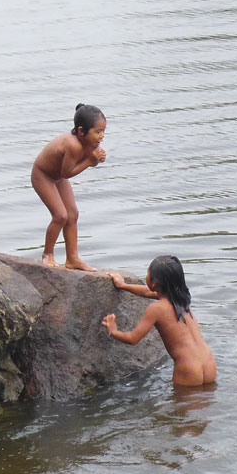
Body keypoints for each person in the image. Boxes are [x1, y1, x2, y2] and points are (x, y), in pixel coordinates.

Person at [103, 256, 217, 387]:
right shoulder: (184, 299)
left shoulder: (156, 309)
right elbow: (148, 292)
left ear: (154, 283)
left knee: (182, 406)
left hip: (188, 368)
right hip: (209, 362)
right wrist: (123, 285)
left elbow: (133, 338)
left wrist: (113, 330)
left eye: (147, 273)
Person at [32, 103, 107, 270]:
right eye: (98, 132)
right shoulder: (73, 145)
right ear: (81, 131)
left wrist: (95, 160)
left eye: (103, 131)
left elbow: (81, 164)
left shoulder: (89, 142)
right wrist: (89, 161)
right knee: (60, 215)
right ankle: (48, 255)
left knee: (72, 214)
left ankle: (72, 258)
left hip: (57, 177)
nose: (101, 136)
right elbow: (67, 173)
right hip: (43, 176)